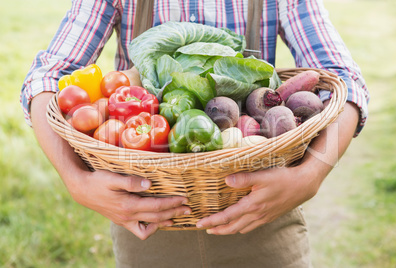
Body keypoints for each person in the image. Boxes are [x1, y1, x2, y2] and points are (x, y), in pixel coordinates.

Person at [21, 0, 369, 267]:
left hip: (264, 214)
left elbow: (343, 79)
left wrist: (311, 174)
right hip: (147, 221)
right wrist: (75, 180)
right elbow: (47, 78)